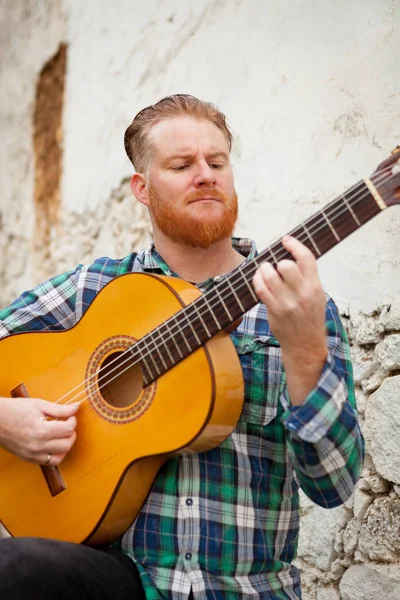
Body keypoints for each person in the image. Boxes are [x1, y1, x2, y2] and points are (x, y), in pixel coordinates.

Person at [0, 94, 364, 599]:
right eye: (181, 164)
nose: (205, 174)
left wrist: (304, 353)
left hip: (244, 591)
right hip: (127, 578)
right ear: (142, 189)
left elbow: (333, 487)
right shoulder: (94, 288)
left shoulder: (294, 303)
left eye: (217, 162)